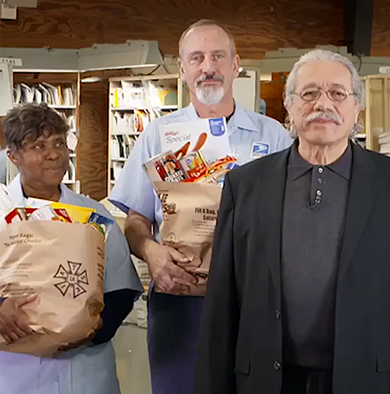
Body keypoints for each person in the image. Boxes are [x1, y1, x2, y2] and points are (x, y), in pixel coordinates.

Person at [195, 48, 390, 394]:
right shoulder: (245, 184)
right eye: (309, 93)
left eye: (338, 94)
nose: (322, 104)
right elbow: (221, 305)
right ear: (289, 105)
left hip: (363, 382)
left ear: (356, 107)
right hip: (266, 380)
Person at [108, 19, 292, 394]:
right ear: (182, 68)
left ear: (235, 64)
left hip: (253, 302)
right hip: (180, 300)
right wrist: (151, 252)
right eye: (197, 58)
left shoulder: (273, 135)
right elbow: (135, 220)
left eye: (217, 56)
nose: (208, 67)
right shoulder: (158, 135)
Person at [0, 103, 142, 394]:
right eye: (39, 146)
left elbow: (122, 289)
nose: (54, 154)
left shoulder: (93, 215)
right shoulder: (3, 211)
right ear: (12, 155)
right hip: (15, 372)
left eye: (59, 143)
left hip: (85, 370)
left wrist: (92, 330)